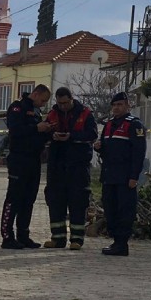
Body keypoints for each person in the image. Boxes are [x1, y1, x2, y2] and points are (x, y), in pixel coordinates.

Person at [42, 87, 98, 250]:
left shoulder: (85, 114)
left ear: (71, 99)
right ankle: (57, 238)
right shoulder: (53, 114)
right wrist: (52, 135)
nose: (63, 106)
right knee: (55, 201)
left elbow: (92, 134)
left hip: (77, 165)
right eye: (59, 103)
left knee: (77, 202)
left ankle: (77, 239)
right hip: (57, 165)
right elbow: (43, 134)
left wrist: (71, 136)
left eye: (65, 103)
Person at [0, 84, 54, 250]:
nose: (43, 104)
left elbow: (37, 135)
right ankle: (7, 236)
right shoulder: (18, 107)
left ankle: (23, 235)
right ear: (35, 94)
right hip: (19, 159)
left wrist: (49, 132)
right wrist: (36, 127)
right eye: (43, 100)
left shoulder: (36, 111)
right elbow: (15, 130)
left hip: (34, 159)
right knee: (14, 198)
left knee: (29, 199)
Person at [93, 92, 146, 256]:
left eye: (120, 105)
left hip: (125, 177)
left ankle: (122, 244)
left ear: (127, 106)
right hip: (109, 175)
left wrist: (134, 176)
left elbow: (139, 153)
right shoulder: (109, 124)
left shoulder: (134, 124)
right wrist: (99, 147)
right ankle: (116, 241)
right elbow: (107, 149)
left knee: (125, 210)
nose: (116, 108)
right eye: (114, 105)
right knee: (110, 209)